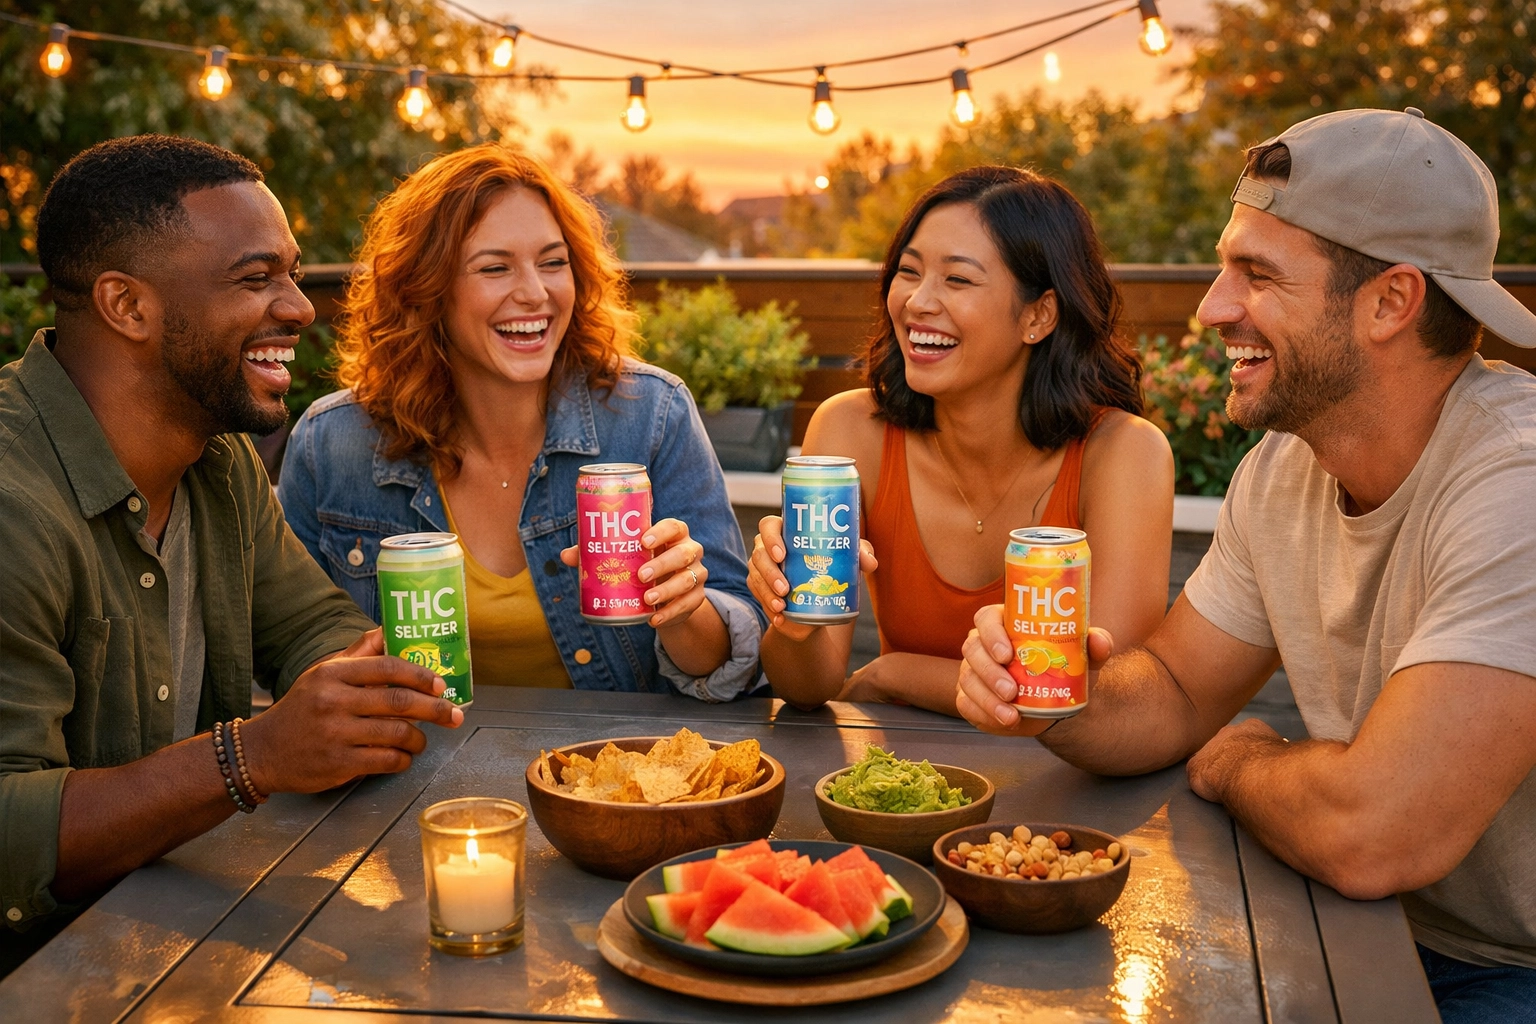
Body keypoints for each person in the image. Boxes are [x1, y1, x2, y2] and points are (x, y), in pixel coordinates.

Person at [957, 109, 1536, 1021]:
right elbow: (1176, 693)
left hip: (1511, 965)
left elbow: (1373, 834)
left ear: (1391, 301)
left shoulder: (1518, 483)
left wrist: (1238, 764)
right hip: (1363, 921)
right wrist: (1049, 687)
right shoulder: (1288, 467)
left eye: (1257, 275)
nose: (1212, 307)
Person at [0, 135, 462, 972]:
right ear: (127, 306)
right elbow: (6, 830)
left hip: (178, 939)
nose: (299, 307)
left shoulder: (215, 458)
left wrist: (365, 681)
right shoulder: (11, 503)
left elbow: (313, 629)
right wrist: (251, 757)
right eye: (257, 279)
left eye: (290, 272)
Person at [277, 145, 761, 699]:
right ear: (427, 289)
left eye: (553, 262)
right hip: (408, 769)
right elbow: (291, 650)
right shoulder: (331, 443)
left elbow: (734, 663)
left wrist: (681, 608)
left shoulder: (651, 414)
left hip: (610, 771)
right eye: (494, 267)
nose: (535, 292)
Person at [747, 167, 1173, 714]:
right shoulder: (850, 432)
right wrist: (793, 623)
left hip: (1065, 788)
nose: (918, 302)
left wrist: (895, 673)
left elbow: (1107, 700)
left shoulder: (1125, 454)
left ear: (1039, 315)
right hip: (902, 784)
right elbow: (806, 687)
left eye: (958, 280)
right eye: (909, 271)